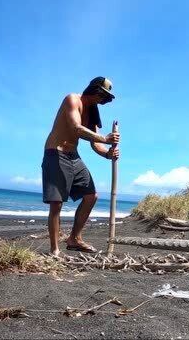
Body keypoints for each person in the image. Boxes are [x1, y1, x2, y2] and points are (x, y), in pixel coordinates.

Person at [42, 76, 120, 256]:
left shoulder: (93, 112)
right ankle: (54, 250)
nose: (103, 101)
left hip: (74, 157)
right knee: (57, 203)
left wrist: (107, 153)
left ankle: (74, 239)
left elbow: (95, 143)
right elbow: (77, 128)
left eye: (105, 98)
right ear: (95, 91)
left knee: (91, 195)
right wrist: (105, 139)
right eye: (102, 96)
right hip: (56, 153)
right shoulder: (72, 99)